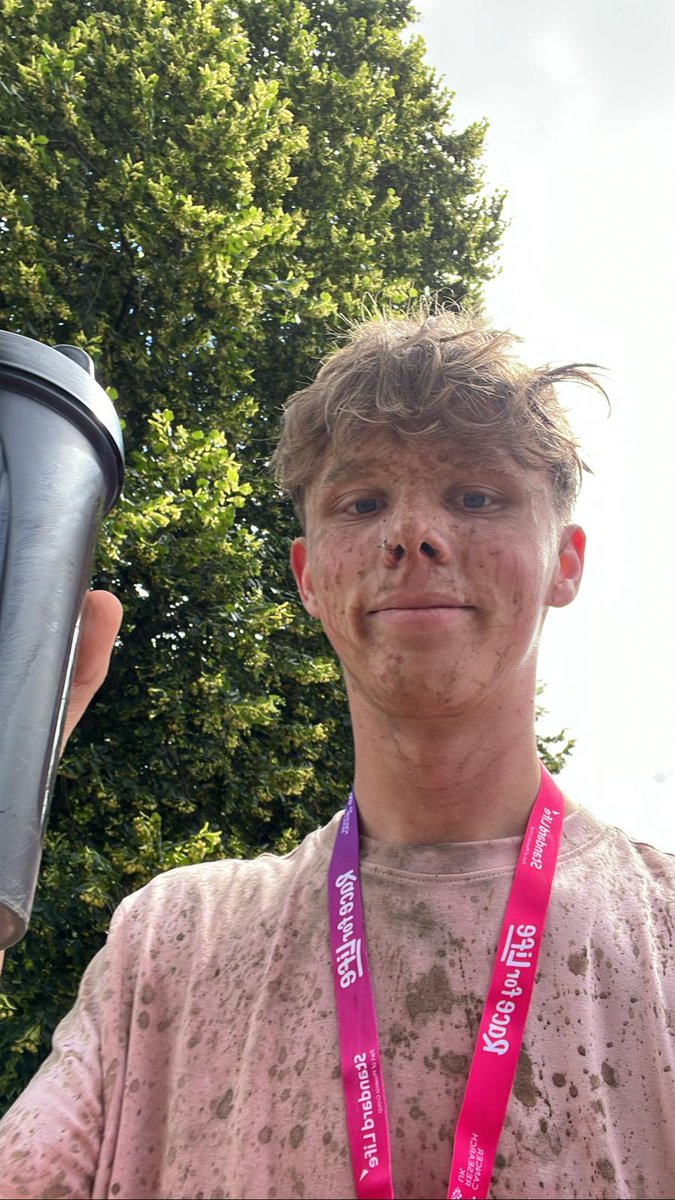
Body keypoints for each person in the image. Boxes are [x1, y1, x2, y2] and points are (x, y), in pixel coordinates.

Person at [0, 310, 673, 1200]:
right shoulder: (165, 945)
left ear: (565, 562)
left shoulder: (663, 938)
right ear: (308, 575)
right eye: (362, 503)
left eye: (476, 496)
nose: (413, 535)